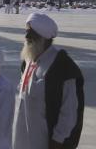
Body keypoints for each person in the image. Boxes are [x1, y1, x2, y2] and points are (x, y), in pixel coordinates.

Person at [13, 13, 84, 149]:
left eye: (31, 33)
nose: (26, 37)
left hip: (45, 142)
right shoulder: (28, 59)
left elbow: (69, 113)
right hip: (22, 139)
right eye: (26, 32)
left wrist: (57, 141)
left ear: (43, 38)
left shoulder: (62, 66)